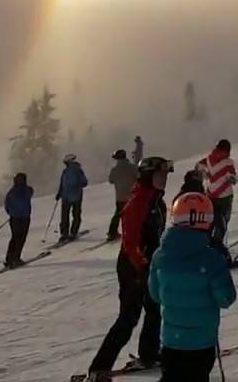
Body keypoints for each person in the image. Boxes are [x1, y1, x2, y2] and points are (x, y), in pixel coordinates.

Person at [86, 156, 173, 379]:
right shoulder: (139, 202)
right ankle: (99, 367)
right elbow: (130, 242)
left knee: (154, 310)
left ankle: (149, 353)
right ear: (148, 176)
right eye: (160, 175)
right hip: (133, 266)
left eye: (165, 175)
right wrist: (142, 267)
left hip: (148, 265)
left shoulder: (156, 200)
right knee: (128, 317)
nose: (164, 179)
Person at [148, 192, 236, 382]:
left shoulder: (160, 256)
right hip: (201, 343)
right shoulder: (212, 259)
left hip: (171, 341)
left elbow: (155, 294)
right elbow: (225, 298)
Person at [196, 139, 238, 250]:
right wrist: (232, 179)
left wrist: (205, 175)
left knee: (210, 222)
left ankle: (205, 245)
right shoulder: (228, 162)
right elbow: (234, 178)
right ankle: (217, 247)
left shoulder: (209, 159)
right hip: (225, 196)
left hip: (210, 195)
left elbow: (198, 166)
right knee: (222, 224)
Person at [3, 173, 34, 269]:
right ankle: (16, 258)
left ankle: (9, 259)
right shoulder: (27, 190)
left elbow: (7, 204)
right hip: (24, 218)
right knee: (21, 238)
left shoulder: (11, 192)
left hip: (14, 218)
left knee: (14, 238)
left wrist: (11, 213)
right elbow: (31, 192)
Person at [56, 154, 89, 242]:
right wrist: (59, 193)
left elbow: (84, 182)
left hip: (74, 196)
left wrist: (61, 192)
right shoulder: (66, 171)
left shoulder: (76, 170)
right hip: (69, 196)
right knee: (69, 215)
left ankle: (70, 232)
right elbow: (62, 183)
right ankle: (67, 233)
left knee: (71, 215)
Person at [108, 150, 134, 241]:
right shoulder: (132, 167)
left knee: (118, 214)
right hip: (131, 196)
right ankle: (130, 232)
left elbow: (111, 180)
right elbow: (138, 177)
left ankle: (112, 233)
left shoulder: (115, 169)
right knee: (131, 215)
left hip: (120, 196)